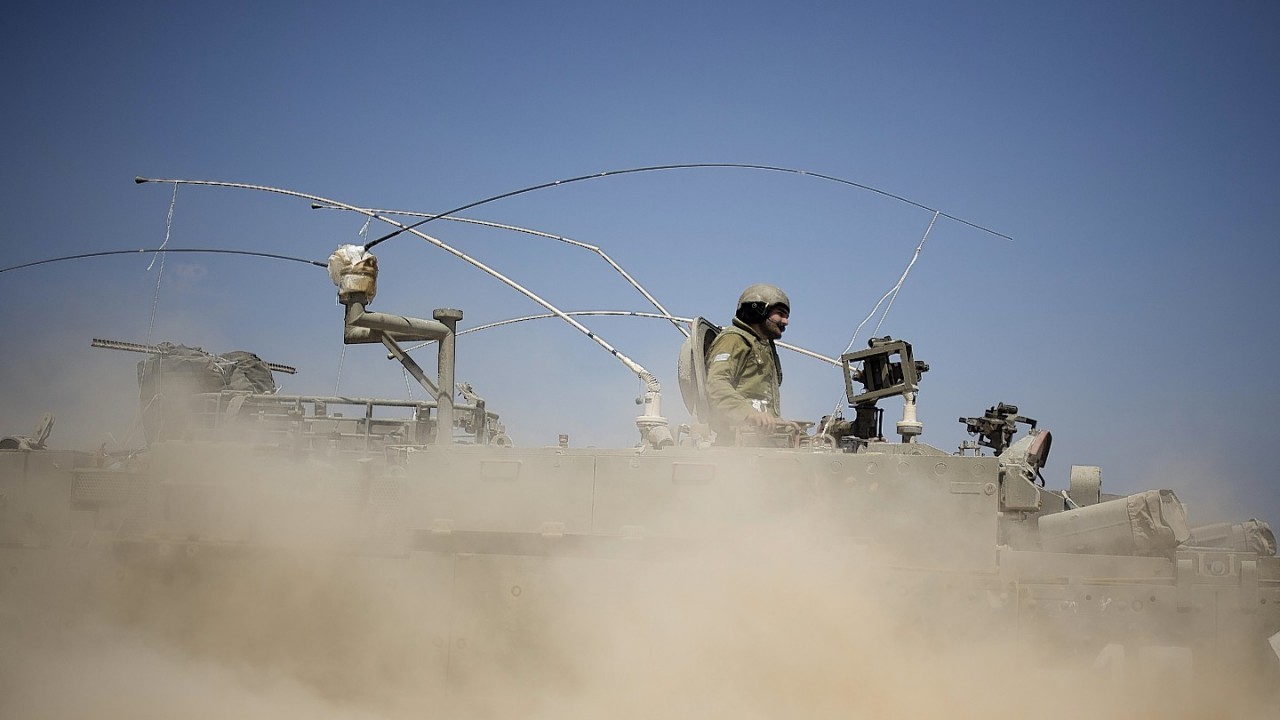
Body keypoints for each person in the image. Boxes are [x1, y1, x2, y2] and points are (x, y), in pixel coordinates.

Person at [704, 283, 790, 440]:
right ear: (758, 309)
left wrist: (782, 426)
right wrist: (748, 413)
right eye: (780, 314)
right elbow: (716, 384)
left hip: (759, 440)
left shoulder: (764, 347)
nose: (785, 322)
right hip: (735, 443)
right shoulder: (733, 339)